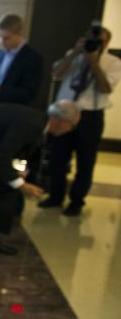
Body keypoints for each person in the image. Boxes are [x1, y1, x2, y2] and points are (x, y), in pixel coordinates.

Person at [0, 101, 79, 253]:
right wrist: (21, 184)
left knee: (6, 188)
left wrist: (20, 172)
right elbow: (2, 156)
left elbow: (17, 151)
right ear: (61, 122)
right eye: (72, 126)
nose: (71, 130)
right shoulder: (33, 125)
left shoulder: (38, 122)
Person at [38, 25, 121, 216]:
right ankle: (55, 196)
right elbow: (56, 74)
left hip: (91, 114)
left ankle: (77, 200)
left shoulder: (113, 62)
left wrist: (94, 63)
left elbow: (106, 89)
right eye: (90, 39)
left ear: (107, 42)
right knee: (58, 156)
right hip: (65, 111)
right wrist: (75, 53)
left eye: (98, 41)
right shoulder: (73, 55)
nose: (93, 44)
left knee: (86, 159)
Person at [0, 13, 43, 107]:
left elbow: (30, 93)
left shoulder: (33, 58)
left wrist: (0, 91)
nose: (1, 42)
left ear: (19, 34)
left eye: (6, 38)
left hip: (13, 115)